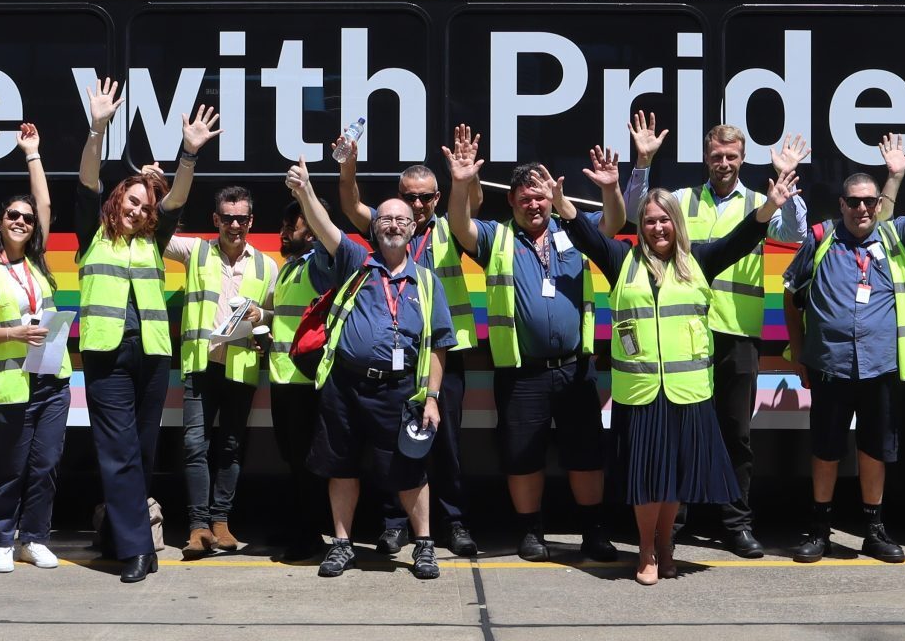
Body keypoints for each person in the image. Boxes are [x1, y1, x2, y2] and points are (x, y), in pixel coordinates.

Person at [564, 143, 793, 585]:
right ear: (642, 228)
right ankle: (646, 551)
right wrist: (564, 205)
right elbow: (588, 238)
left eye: (664, 219)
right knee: (648, 480)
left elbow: (741, 239)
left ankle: (666, 545)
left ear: (676, 222)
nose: (657, 227)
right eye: (649, 221)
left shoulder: (699, 261)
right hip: (641, 392)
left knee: (673, 480)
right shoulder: (621, 260)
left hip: (687, 392)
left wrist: (768, 209)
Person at [623, 120, 808, 557]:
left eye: (731, 157)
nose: (723, 164)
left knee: (735, 434)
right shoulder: (683, 200)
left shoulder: (759, 202)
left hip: (737, 333)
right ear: (706, 159)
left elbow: (795, 234)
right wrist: (643, 163)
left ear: (742, 160)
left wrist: (785, 186)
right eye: (716, 157)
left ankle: (735, 522)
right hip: (684, 336)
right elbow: (635, 213)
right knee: (680, 430)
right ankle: (677, 519)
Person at [443, 124, 614, 562]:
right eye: (525, 197)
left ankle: (593, 532)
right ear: (513, 202)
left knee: (586, 455)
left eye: (540, 195)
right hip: (522, 373)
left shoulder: (575, 228)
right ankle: (531, 532)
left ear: (551, 197)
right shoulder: (497, 237)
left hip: (575, 369)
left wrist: (609, 189)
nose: (534, 203)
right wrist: (461, 182)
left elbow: (612, 222)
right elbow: (459, 226)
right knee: (522, 457)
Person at [780, 129, 905, 564]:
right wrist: (800, 353)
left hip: (880, 368)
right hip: (830, 367)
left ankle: (874, 530)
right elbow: (790, 293)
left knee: (875, 450)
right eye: (852, 201)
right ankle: (819, 529)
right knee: (826, 449)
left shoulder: (897, 240)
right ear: (841, 205)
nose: (860, 208)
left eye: (869, 202)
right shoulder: (820, 239)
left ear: (878, 206)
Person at [77, 78, 220, 583]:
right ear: (117, 201)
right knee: (116, 452)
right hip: (106, 356)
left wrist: (188, 153)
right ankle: (140, 550)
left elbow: (177, 196)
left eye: (144, 206)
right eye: (131, 201)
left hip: (153, 356)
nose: (138, 209)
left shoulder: (153, 240)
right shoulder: (91, 232)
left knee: (141, 451)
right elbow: (88, 177)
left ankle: (121, 535)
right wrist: (98, 127)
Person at [282, 155, 450, 581]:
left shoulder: (427, 283)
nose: (393, 225)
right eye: (386, 219)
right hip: (346, 387)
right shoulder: (357, 262)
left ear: (414, 229)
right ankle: (341, 545)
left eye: (402, 220)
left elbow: (437, 347)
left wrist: (431, 397)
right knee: (342, 467)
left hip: (399, 392)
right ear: (375, 228)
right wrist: (303, 191)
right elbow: (323, 226)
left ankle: (424, 546)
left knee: (410, 469)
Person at [335, 134, 478, 557]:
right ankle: (394, 525)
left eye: (425, 198)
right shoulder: (389, 226)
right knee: (390, 445)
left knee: (446, 443)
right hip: (394, 360)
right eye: (408, 197)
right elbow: (349, 203)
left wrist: (463, 180)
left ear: (437, 198)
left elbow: (469, 203)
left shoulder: (452, 226)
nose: (416, 206)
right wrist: (348, 165)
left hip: (441, 356)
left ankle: (454, 523)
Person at [0, 121, 69, 576]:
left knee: (45, 465)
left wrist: (33, 153)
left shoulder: (39, 262)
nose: (22, 221)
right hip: (9, 384)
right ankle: (2, 539)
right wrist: (13, 335)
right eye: (13, 217)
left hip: (50, 379)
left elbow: (44, 203)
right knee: (9, 465)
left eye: (26, 218)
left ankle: (34, 538)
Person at [170, 186, 277, 558]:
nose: (235, 225)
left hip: (240, 369)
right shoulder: (196, 250)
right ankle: (198, 527)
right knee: (194, 446)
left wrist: (261, 316)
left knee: (231, 448)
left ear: (251, 221)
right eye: (227, 217)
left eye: (242, 218)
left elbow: (276, 315)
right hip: (200, 367)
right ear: (215, 220)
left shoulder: (267, 266)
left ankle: (221, 523)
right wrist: (156, 187)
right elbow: (158, 232)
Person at [265, 196, 332, 561]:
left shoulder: (319, 266)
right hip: (282, 379)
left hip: (306, 383)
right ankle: (299, 527)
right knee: (292, 460)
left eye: (294, 225)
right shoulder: (290, 267)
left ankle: (311, 536)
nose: (284, 231)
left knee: (309, 464)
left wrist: (312, 206)